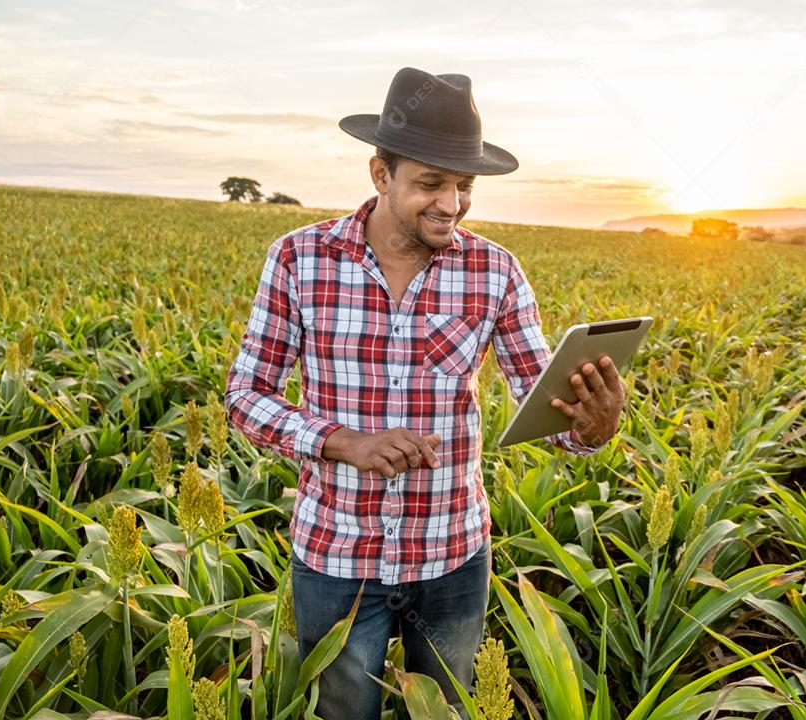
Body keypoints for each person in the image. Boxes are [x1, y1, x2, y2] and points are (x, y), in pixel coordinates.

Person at [224, 66, 627, 719]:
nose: (452, 203)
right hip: (336, 551)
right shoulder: (299, 259)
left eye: (464, 186)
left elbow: (545, 403)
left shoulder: (495, 271)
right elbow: (245, 395)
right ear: (380, 175)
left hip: (451, 553)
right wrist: (342, 441)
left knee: (445, 709)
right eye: (431, 183)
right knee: (342, 712)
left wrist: (590, 427)